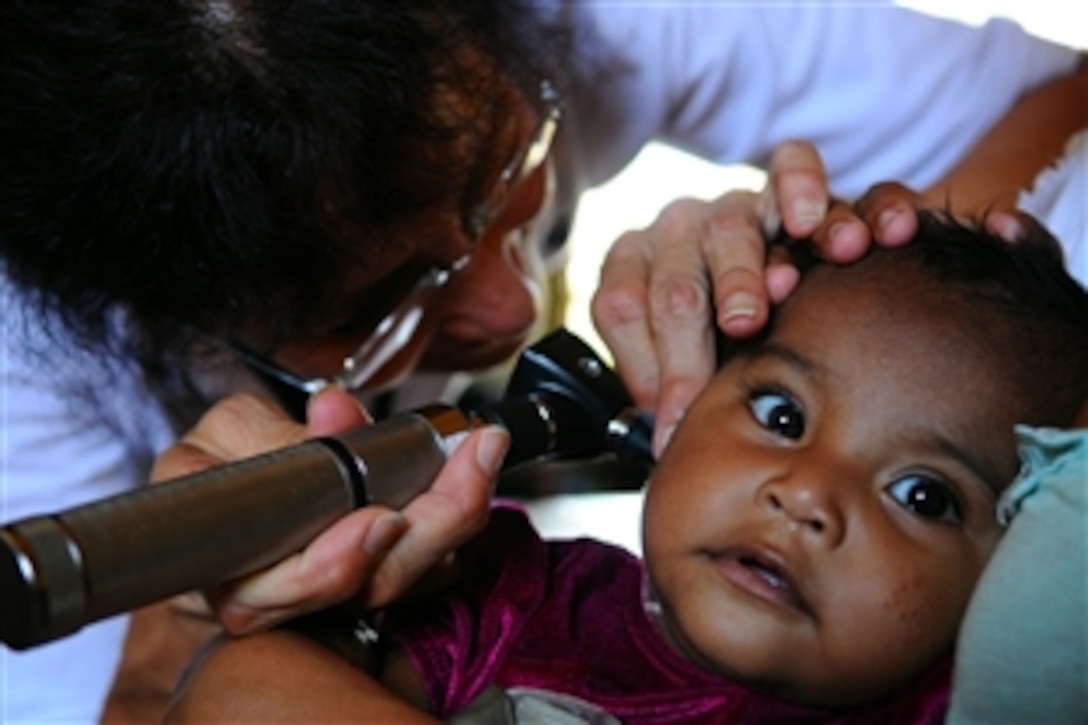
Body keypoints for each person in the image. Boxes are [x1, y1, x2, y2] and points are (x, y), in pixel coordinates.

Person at [1, 1, 1084, 721]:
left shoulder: (610, 17)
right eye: (379, 301)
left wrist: (894, 303)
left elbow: (1060, 97)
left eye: (500, 175)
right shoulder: (31, 375)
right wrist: (183, 630)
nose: (515, 307)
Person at [164, 212, 1088, 722]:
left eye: (923, 495)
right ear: (674, 412)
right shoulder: (515, 594)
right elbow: (234, 694)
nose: (808, 493)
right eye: (780, 414)